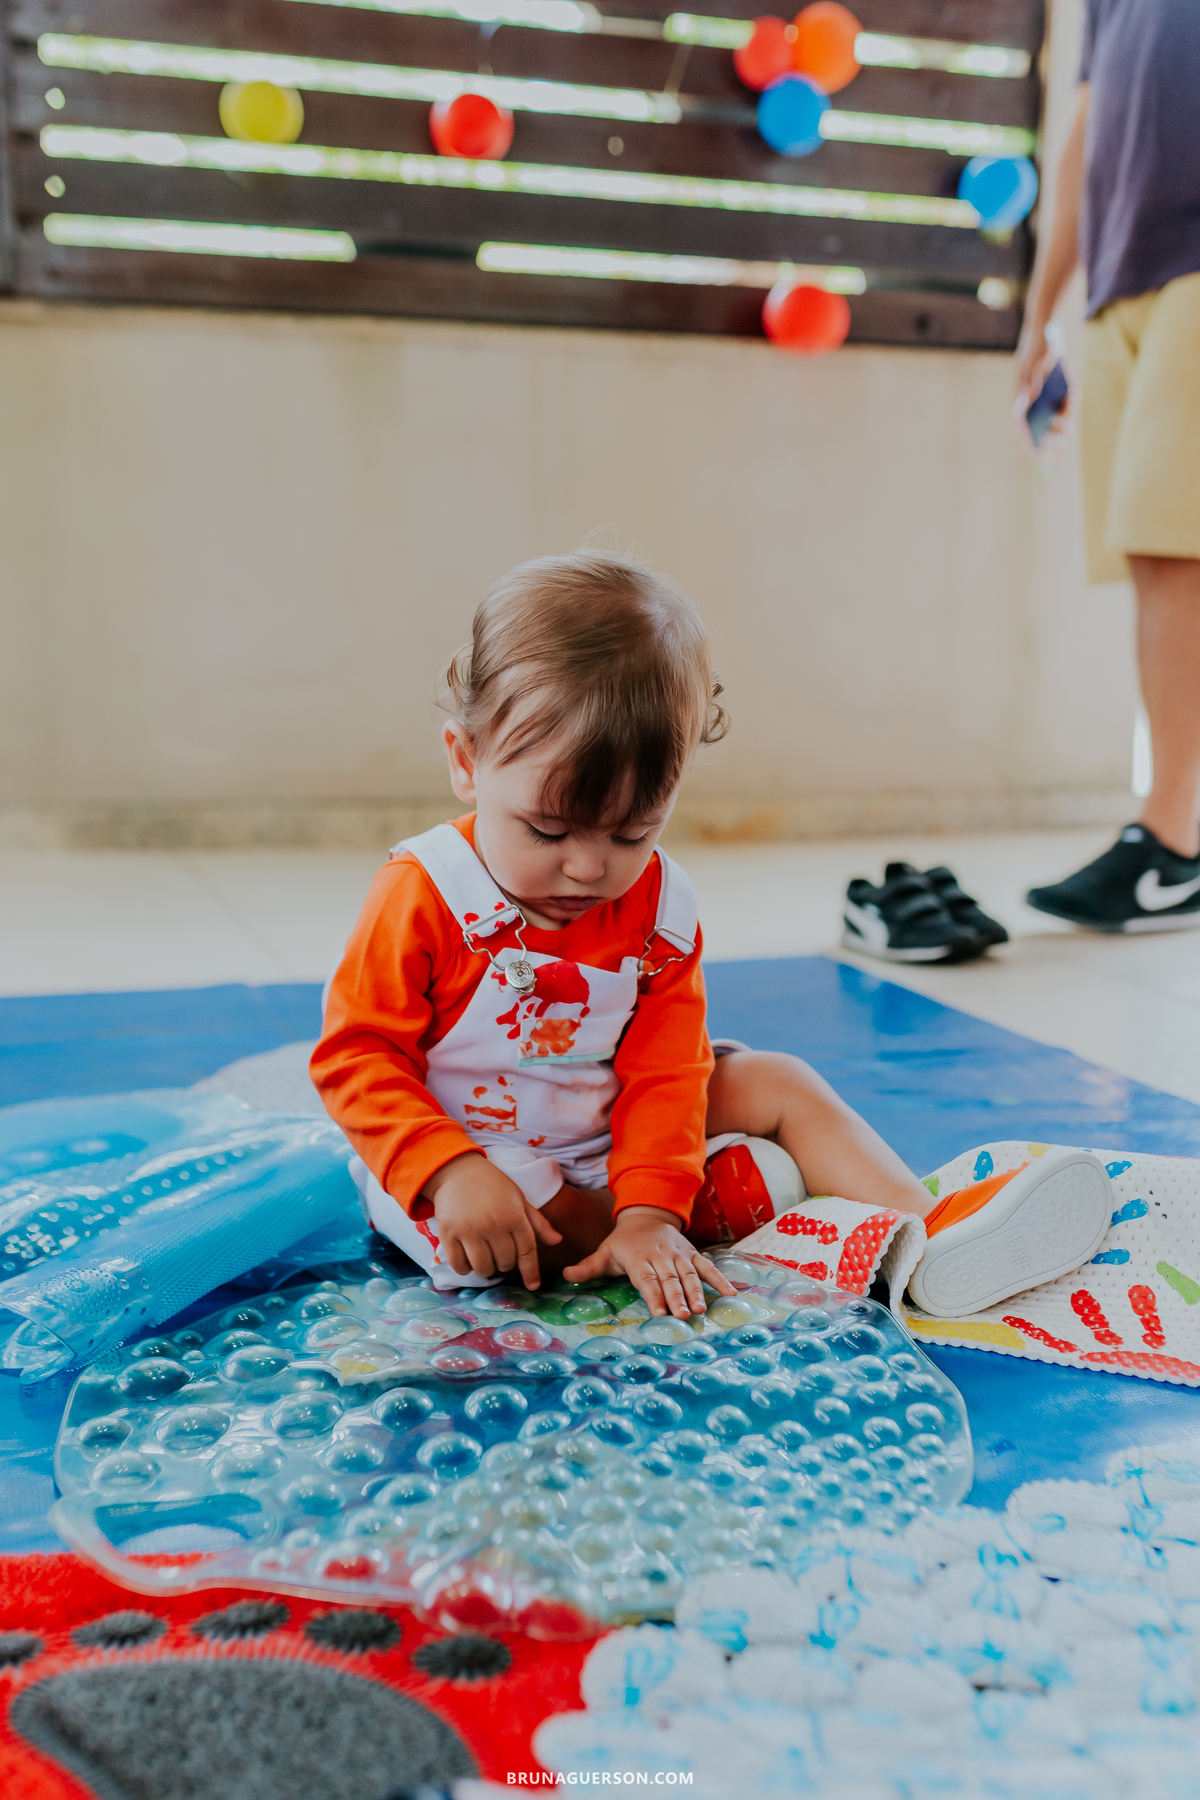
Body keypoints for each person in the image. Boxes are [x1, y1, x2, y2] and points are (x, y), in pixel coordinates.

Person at [310, 551, 1109, 1322]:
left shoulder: (660, 906)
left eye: (632, 833)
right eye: (547, 829)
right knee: (514, 1222)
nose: (588, 869)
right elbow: (356, 1057)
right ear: (466, 760)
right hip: (477, 1155)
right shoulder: (425, 892)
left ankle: (936, 1243)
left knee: (779, 1081)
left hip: (610, 1127)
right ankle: (719, 1210)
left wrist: (650, 1205)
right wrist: (448, 1171)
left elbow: (665, 1066)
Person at [1016, 0, 1200, 933]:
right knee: (1153, 558)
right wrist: (1040, 312)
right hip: (1122, 279)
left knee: (1174, 549)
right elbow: (1085, 125)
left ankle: (1172, 844)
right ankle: (1170, 837)